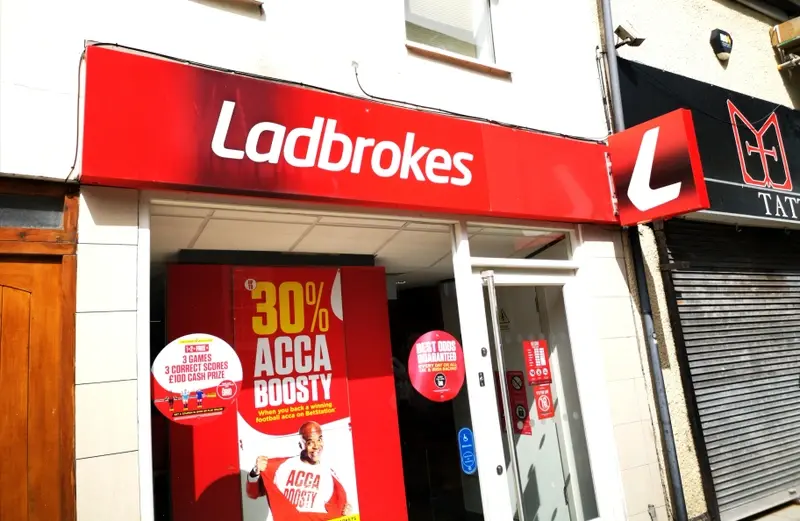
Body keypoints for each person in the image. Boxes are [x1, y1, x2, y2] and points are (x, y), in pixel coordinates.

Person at [246, 421, 352, 520]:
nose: (316, 446)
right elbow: (253, 493)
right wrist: (255, 471)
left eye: (319, 440)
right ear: (300, 444)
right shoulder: (281, 467)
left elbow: (339, 509)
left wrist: (345, 516)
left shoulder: (330, 475)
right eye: (310, 442)